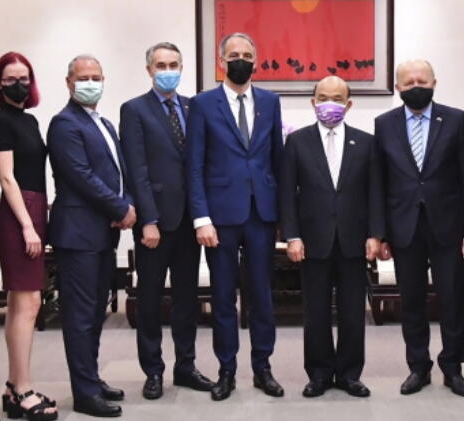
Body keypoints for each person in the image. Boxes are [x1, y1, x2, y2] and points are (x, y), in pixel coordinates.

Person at [373, 59, 464, 397]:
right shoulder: (384, 123)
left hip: (449, 226)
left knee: (452, 300)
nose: (415, 86)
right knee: (412, 302)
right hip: (404, 228)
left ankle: (453, 367)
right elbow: (379, 183)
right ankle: (418, 367)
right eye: (408, 82)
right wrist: (381, 234)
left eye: (422, 80)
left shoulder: (454, 119)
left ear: (435, 82)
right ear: (397, 87)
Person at [187, 32, 284, 401]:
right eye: (233, 55)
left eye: (247, 54)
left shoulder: (270, 102)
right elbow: (194, 166)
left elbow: (278, 159)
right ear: (221, 61)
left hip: (261, 215)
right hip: (220, 219)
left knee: (261, 295)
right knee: (223, 296)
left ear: (256, 61)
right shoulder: (203, 104)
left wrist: (282, 219)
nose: (240, 59)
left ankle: (263, 367)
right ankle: (226, 370)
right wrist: (201, 218)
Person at [119, 42, 214, 400]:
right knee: (150, 299)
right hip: (155, 223)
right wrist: (148, 220)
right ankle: (153, 370)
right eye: (161, 65)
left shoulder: (194, 107)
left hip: (191, 221)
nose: (168, 70)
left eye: (174, 64)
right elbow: (136, 170)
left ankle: (186, 366)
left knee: (188, 299)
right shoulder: (134, 110)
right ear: (149, 70)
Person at [280, 76, 384, 398]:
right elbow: (287, 195)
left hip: (354, 240)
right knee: (316, 312)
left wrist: (376, 234)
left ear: (349, 104)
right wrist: (292, 237)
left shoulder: (366, 142)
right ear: (313, 102)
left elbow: (375, 193)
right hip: (313, 242)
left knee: (353, 311)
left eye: (337, 98)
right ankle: (320, 373)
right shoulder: (297, 142)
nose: (330, 103)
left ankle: (350, 374)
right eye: (323, 97)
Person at [47, 54, 134, 417]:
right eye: (82, 77)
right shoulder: (64, 124)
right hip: (78, 234)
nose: (90, 82)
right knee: (80, 316)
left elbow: (118, 171)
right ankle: (83, 392)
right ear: (68, 82)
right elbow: (81, 176)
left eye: (96, 76)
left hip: (102, 234)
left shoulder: (104, 123)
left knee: (96, 310)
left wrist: (125, 200)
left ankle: (92, 377)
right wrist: (119, 208)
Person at [0, 51, 56, 421]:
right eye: (11, 78)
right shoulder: (0, 121)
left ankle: (14, 386)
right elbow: (7, 178)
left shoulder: (29, 120)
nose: (19, 84)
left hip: (34, 208)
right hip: (18, 215)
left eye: (24, 78)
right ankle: (24, 388)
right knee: (27, 304)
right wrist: (28, 225)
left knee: (21, 303)